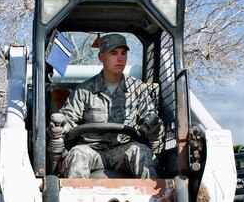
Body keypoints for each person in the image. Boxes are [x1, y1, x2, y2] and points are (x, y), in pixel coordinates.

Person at [48, 33, 163, 179]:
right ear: (101, 57)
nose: (120, 58)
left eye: (123, 53)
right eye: (113, 53)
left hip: (123, 149)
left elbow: (150, 119)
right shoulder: (84, 90)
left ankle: (153, 200)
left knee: (142, 152)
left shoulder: (137, 89)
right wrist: (59, 128)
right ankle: (77, 200)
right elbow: (68, 119)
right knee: (76, 154)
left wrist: (153, 125)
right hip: (91, 149)